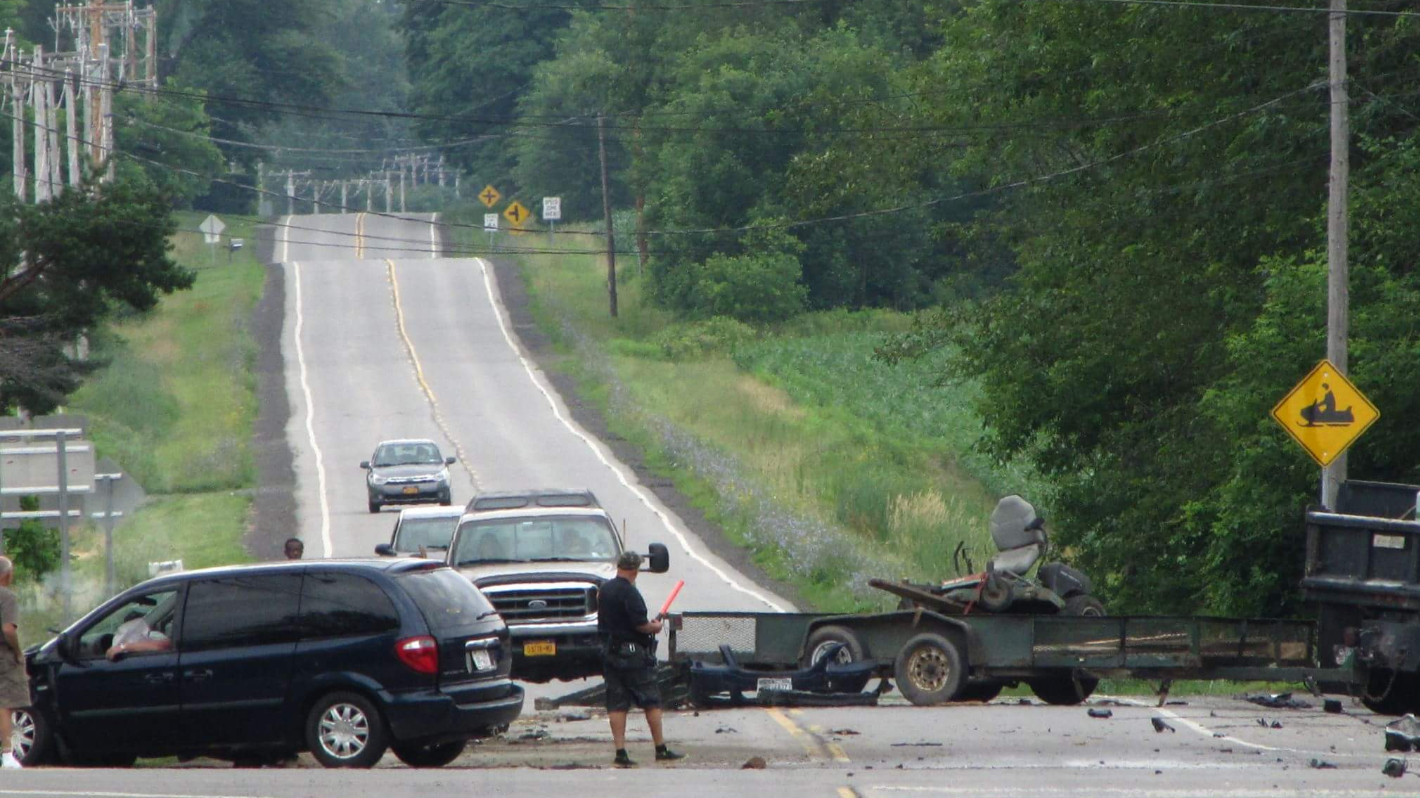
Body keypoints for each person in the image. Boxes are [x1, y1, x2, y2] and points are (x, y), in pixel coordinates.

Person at [597, 551, 684, 768]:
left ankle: (620, 752)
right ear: (635, 570)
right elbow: (640, 625)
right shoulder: (631, 593)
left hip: (610, 652)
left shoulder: (604, 590)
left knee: (617, 704)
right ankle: (660, 748)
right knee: (651, 700)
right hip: (633, 654)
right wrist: (654, 626)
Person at [0, 557, 27, 769]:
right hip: (3, 656)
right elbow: (8, 629)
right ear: (7, 575)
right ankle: (7, 753)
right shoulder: (7, 596)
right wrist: (18, 652)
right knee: (5, 703)